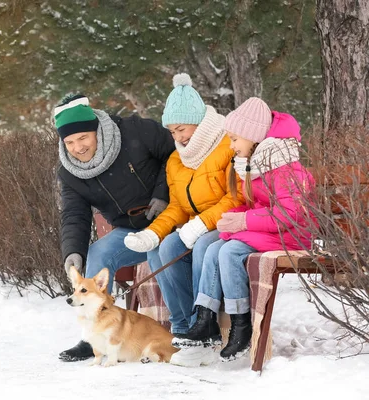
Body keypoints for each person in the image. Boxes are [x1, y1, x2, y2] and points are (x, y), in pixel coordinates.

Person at [180, 97, 315, 363]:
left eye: (234, 139)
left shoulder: (286, 169)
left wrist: (243, 222)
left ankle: (241, 327)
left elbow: (289, 214)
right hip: (273, 231)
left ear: (253, 137)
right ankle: (206, 316)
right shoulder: (257, 165)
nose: (231, 146)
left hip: (292, 235)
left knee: (229, 251)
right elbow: (257, 206)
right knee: (214, 245)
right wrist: (234, 217)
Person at [124, 73, 244, 367]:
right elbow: (177, 206)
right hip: (195, 225)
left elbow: (238, 197)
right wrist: (153, 232)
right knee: (162, 249)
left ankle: (203, 330)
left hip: (226, 222)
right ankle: (183, 329)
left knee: (202, 243)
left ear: (199, 121)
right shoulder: (177, 160)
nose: (177, 138)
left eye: (181, 129)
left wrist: (202, 223)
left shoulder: (227, 145)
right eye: (172, 132)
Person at [55, 94, 175, 362]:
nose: (78, 147)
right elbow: (74, 213)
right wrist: (72, 251)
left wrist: (162, 193)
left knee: (161, 251)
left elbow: (176, 153)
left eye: (83, 138)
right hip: (130, 231)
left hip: (172, 218)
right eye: (70, 142)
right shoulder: (69, 171)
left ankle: (182, 329)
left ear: (96, 129)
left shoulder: (136, 131)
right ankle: (94, 338)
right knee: (98, 254)